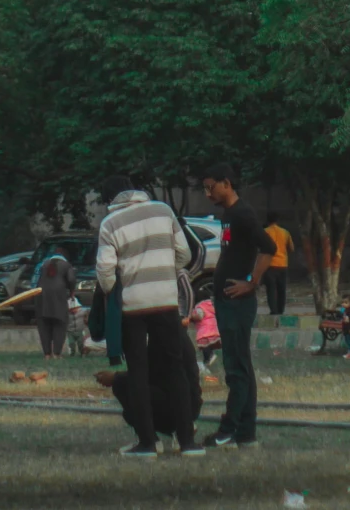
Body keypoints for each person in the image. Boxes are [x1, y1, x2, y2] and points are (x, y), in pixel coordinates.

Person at [95, 174, 202, 460]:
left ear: (111, 200)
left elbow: (105, 271)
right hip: (166, 303)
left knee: (138, 373)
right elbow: (185, 253)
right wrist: (165, 272)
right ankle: (187, 441)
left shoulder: (110, 224)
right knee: (175, 368)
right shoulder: (163, 211)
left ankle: (147, 442)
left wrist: (114, 292)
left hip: (133, 306)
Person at [201, 163, 274, 449]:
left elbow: (269, 247)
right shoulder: (229, 215)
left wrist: (251, 282)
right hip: (224, 300)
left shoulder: (243, 213)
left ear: (227, 183)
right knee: (241, 365)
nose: (208, 194)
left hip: (237, 302)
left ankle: (229, 429)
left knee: (236, 368)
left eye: (211, 187)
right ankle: (246, 433)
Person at [97, 315, 204, 451]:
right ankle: (183, 430)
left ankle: (150, 440)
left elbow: (146, 375)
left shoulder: (163, 338)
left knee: (124, 386)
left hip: (174, 404)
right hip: (189, 404)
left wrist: (115, 378)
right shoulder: (178, 336)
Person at [34, 250, 75, 360]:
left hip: (41, 296)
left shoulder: (43, 265)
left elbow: (35, 280)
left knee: (44, 326)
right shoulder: (66, 265)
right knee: (60, 324)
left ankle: (47, 354)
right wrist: (72, 292)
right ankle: (57, 353)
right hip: (59, 297)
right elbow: (71, 279)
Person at [263, 214, 293, 317]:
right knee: (281, 289)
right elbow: (291, 248)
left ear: (267, 221)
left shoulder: (265, 232)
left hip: (269, 265)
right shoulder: (285, 232)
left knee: (271, 289)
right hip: (283, 264)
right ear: (277, 220)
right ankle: (281, 310)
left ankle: (273, 311)